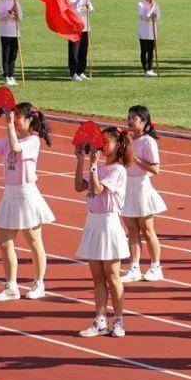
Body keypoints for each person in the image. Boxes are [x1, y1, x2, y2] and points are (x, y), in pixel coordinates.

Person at [0, 103, 54, 301]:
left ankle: (39, 283)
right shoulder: (9, 138)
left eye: (20, 116)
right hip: (10, 195)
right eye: (15, 116)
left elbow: (16, 147)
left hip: (26, 195)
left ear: (30, 120)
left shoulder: (33, 141)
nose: (16, 119)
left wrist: (10, 126)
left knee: (34, 242)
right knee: (4, 242)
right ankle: (11, 286)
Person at [75, 127, 130, 338]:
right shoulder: (98, 167)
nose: (102, 146)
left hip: (109, 224)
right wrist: (81, 160)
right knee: (97, 278)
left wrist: (93, 166)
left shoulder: (117, 170)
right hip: (93, 223)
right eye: (101, 142)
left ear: (118, 145)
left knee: (113, 276)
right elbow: (79, 186)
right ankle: (99, 321)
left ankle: (118, 320)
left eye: (106, 142)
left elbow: (97, 189)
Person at [120, 105, 166, 284]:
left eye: (134, 118)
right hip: (127, 187)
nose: (130, 121)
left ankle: (156, 267)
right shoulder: (126, 139)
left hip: (141, 187)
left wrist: (136, 160)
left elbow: (155, 169)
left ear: (144, 122)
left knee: (147, 230)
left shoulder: (148, 142)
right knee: (131, 231)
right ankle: (134, 268)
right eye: (129, 117)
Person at [66, 0, 93, 81]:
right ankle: (73, 73)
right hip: (74, 28)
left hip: (85, 26)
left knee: (83, 50)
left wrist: (88, 7)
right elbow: (74, 8)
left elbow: (91, 10)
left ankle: (81, 71)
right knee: (74, 51)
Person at [0, 0, 21, 85]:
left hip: (15, 33)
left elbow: (20, 19)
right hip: (4, 33)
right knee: (5, 55)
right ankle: (5, 76)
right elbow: (1, 18)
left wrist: (16, 14)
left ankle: (11, 75)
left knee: (13, 56)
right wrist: (10, 12)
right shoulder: (0, 3)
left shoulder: (16, 3)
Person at [136, 0, 160, 77]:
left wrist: (155, 15)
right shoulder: (140, 4)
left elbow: (158, 15)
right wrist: (151, 10)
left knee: (151, 51)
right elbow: (144, 17)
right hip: (143, 31)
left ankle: (150, 69)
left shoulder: (155, 3)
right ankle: (145, 70)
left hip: (152, 31)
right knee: (144, 51)